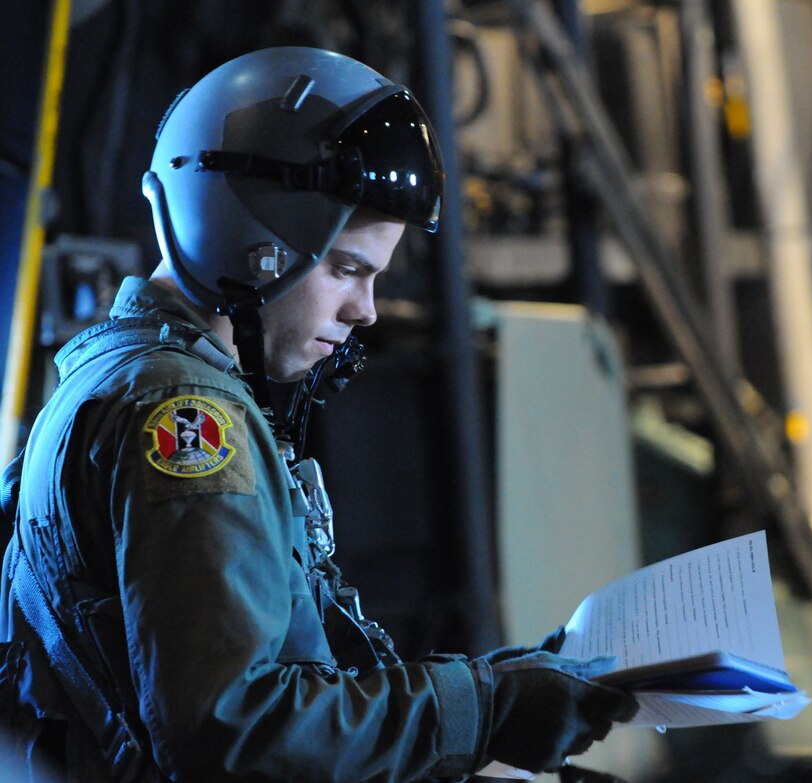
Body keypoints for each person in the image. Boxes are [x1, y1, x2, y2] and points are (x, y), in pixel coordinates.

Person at [0, 46, 637, 782]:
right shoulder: (184, 416)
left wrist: (498, 689)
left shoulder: (112, 378)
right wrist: (485, 706)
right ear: (254, 246)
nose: (363, 310)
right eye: (347, 269)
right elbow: (236, 733)